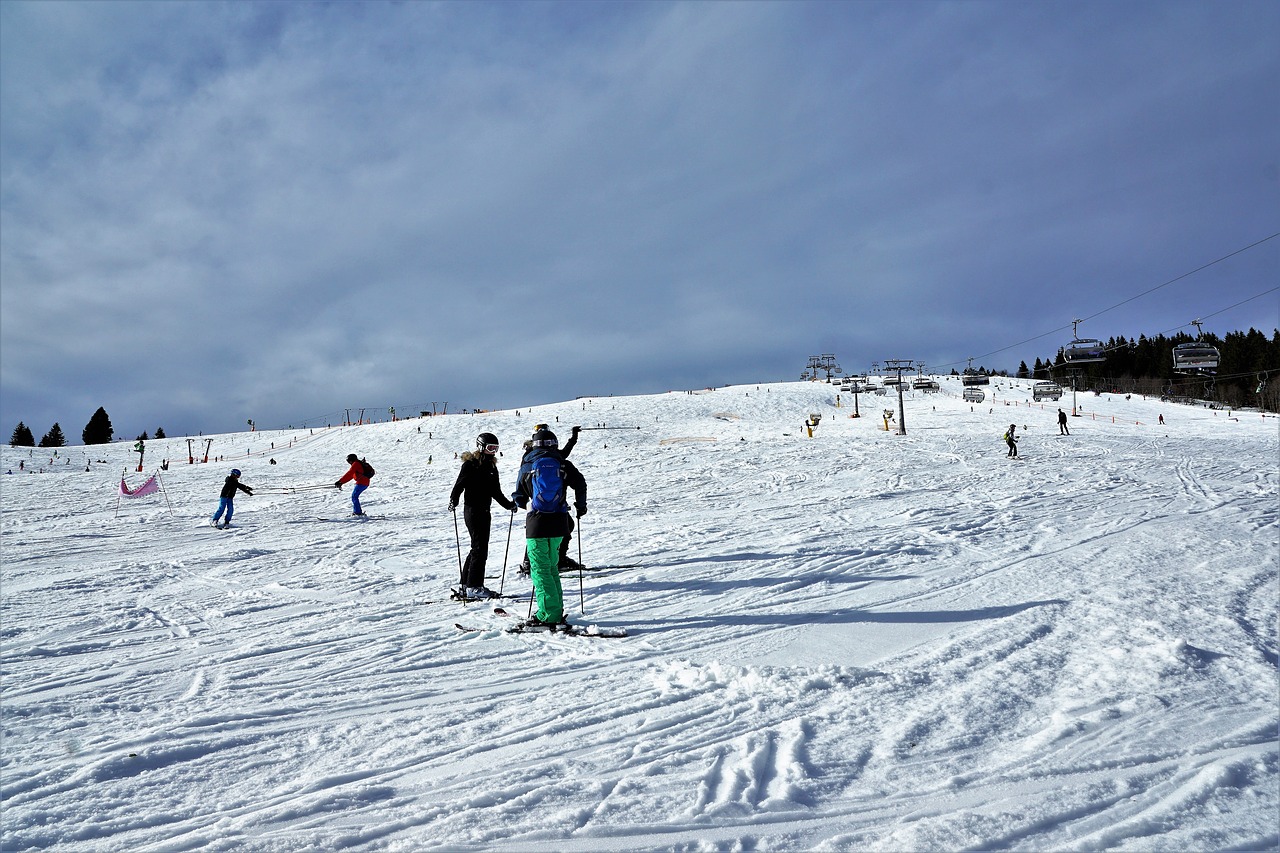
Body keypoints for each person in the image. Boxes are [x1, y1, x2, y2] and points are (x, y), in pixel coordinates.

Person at [512, 428, 587, 627]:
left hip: (536, 522)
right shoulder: (562, 463)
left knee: (540, 569)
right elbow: (580, 483)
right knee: (552, 568)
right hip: (559, 522)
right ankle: (555, 609)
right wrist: (581, 506)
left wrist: (522, 502)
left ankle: (548, 614)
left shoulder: (527, 464)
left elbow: (519, 496)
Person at [449, 433, 517, 599]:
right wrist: (454, 500)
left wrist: (509, 505)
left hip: (484, 511)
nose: (492, 451)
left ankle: (465, 584)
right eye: (490, 448)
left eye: (495, 448)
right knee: (480, 549)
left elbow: (496, 492)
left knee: (476, 548)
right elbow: (459, 485)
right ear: (481, 446)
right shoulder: (470, 465)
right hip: (473, 510)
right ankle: (474, 586)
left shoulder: (492, 467)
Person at [518, 424, 581, 573]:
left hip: (536, 504)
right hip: (556, 504)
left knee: (537, 530)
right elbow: (563, 455)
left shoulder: (529, 456)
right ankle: (559, 559)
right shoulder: (554, 457)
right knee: (564, 526)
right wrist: (573, 439)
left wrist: (520, 501)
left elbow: (522, 480)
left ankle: (529, 561)